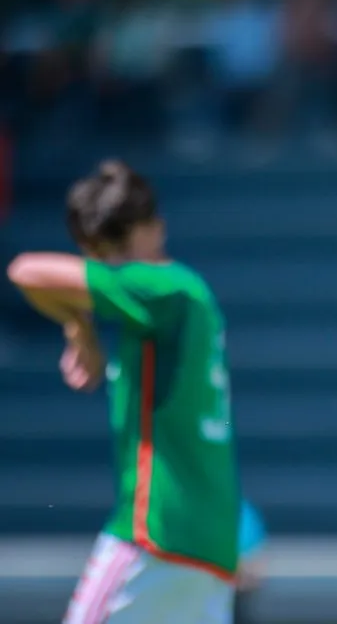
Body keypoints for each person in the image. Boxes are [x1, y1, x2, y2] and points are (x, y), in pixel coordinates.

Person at [6, 160, 239, 623]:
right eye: (98, 254)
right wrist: (81, 324)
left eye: (120, 249)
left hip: (155, 532)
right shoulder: (185, 293)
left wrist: (77, 323)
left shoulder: (160, 288)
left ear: (158, 230)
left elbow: (25, 270)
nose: (112, 266)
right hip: (210, 540)